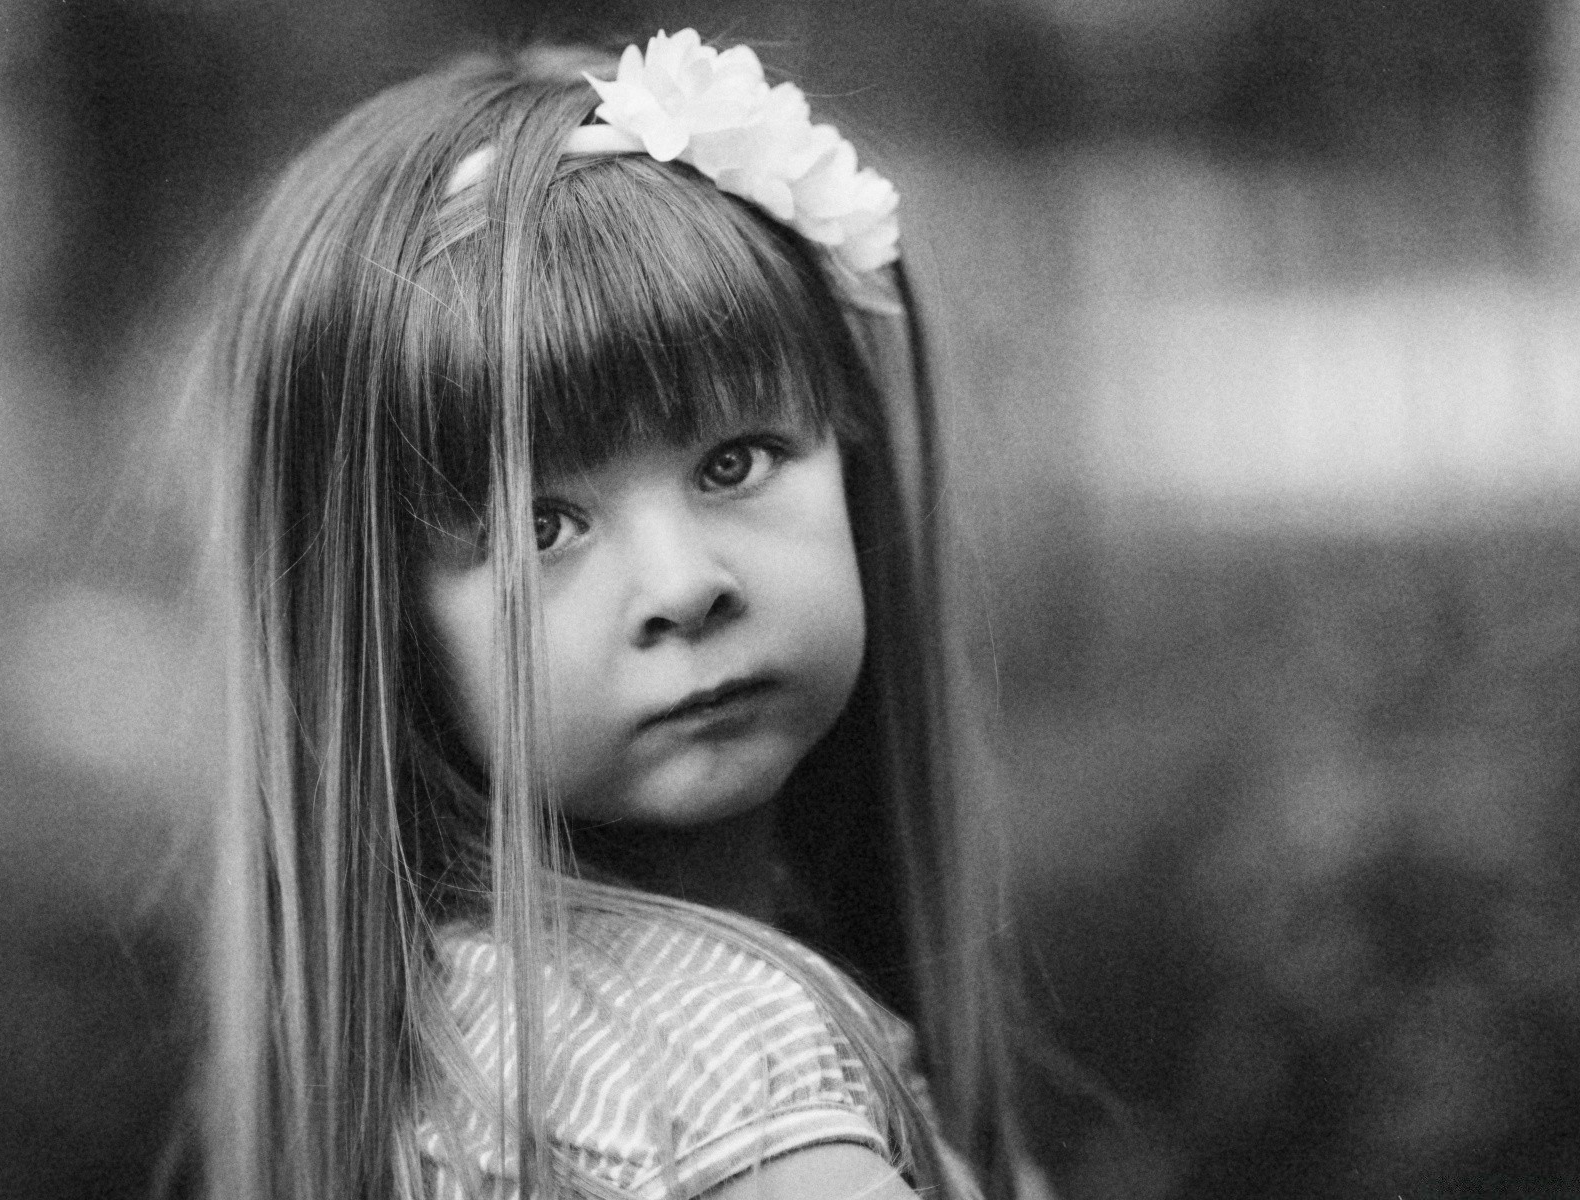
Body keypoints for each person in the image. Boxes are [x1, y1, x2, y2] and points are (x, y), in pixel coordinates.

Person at [194, 29, 1023, 1200]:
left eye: (735, 461)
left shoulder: (461, 1033)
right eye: (542, 529)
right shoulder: (733, 1079)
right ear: (377, 625)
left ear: (853, 455)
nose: (686, 587)